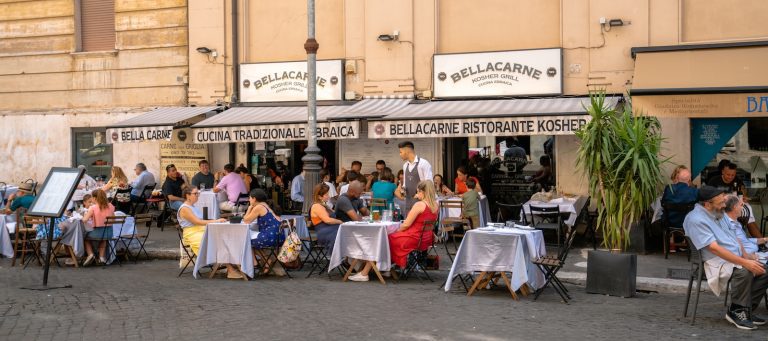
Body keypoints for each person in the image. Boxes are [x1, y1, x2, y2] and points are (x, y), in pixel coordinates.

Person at [683, 185, 768, 330]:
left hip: (732, 258)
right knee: (745, 270)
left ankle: (745, 309)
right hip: (713, 262)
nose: (724, 204)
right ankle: (738, 311)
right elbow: (714, 249)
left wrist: (746, 256)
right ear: (707, 203)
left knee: (764, 269)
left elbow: (735, 237)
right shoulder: (696, 219)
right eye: (721, 202)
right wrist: (745, 262)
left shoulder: (717, 212)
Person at [349, 180, 438, 282]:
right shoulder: (435, 205)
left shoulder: (419, 205)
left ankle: (366, 273)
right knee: (386, 238)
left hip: (413, 238)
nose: (417, 194)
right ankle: (385, 269)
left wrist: (397, 231)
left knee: (381, 240)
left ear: (423, 192)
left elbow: (406, 225)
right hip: (426, 239)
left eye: (417, 192)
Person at [176, 185, 239, 278]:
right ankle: (230, 269)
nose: (197, 195)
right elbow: (197, 222)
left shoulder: (192, 206)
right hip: (192, 234)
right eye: (195, 193)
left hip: (200, 230)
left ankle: (230, 266)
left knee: (223, 238)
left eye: (198, 193)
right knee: (216, 243)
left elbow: (201, 221)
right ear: (187, 195)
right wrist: (216, 221)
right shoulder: (185, 208)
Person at [243, 189, 285, 273]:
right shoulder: (266, 205)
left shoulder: (259, 207)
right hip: (279, 237)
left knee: (245, 240)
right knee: (251, 239)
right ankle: (266, 260)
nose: (249, 200)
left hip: (270, 237)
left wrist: (249, 209)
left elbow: (246, 221)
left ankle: (255, 263)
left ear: (254, 199)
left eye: (250, 198)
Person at [661, 166, 699, 252]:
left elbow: (663, 202)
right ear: (689, 179)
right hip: (687, 222)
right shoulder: (693, 191)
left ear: (677, 177)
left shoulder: (668, 188)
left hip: (669, 221)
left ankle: (669, 247)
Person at [81, 189, 115, 266]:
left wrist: (81, 217)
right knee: (103, 239)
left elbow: (84, 220)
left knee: (85, 238)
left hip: (96, 233)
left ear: (95, 198)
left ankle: (90, 254)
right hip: (108, 233)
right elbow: (113, 219)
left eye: (92, 197)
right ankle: (101, 257)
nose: (92, 199)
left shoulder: (93, 208)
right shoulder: (111, 206)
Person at [399, 141, 433, 215]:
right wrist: (402, 189)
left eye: (401, 152)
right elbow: (405, 184)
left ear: (407, 151)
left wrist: (420, 195)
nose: (400, 154)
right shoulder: (405, 166)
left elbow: (429, 185)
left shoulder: (423, 164)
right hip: (408, 203)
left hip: (421, 204)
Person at [310, 183, 343, 251]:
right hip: (324, 231)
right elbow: (327, 220)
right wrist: (340, 222)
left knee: (345, 232)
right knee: (343, 233)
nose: (329, 196)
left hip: (329, 229)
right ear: (319, 196)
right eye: (326, 194)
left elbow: (333, 213)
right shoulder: (317, 206)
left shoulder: (324, 205)